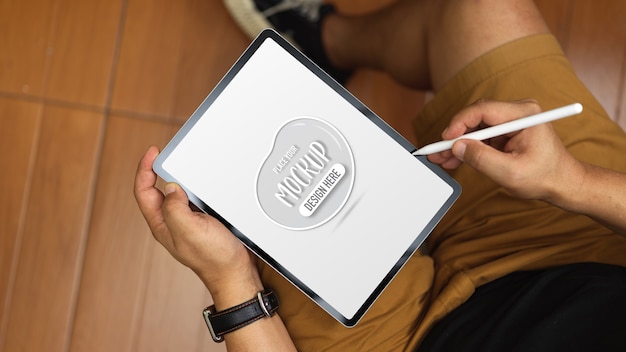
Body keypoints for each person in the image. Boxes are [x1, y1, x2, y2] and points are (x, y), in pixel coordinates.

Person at [134, 0, 626, 350]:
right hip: (588, 243)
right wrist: (571, 181)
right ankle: (327, 41)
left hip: (406, 340)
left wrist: (232, 283)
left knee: (231, 206)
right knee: (474, 9)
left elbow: (235, 282)